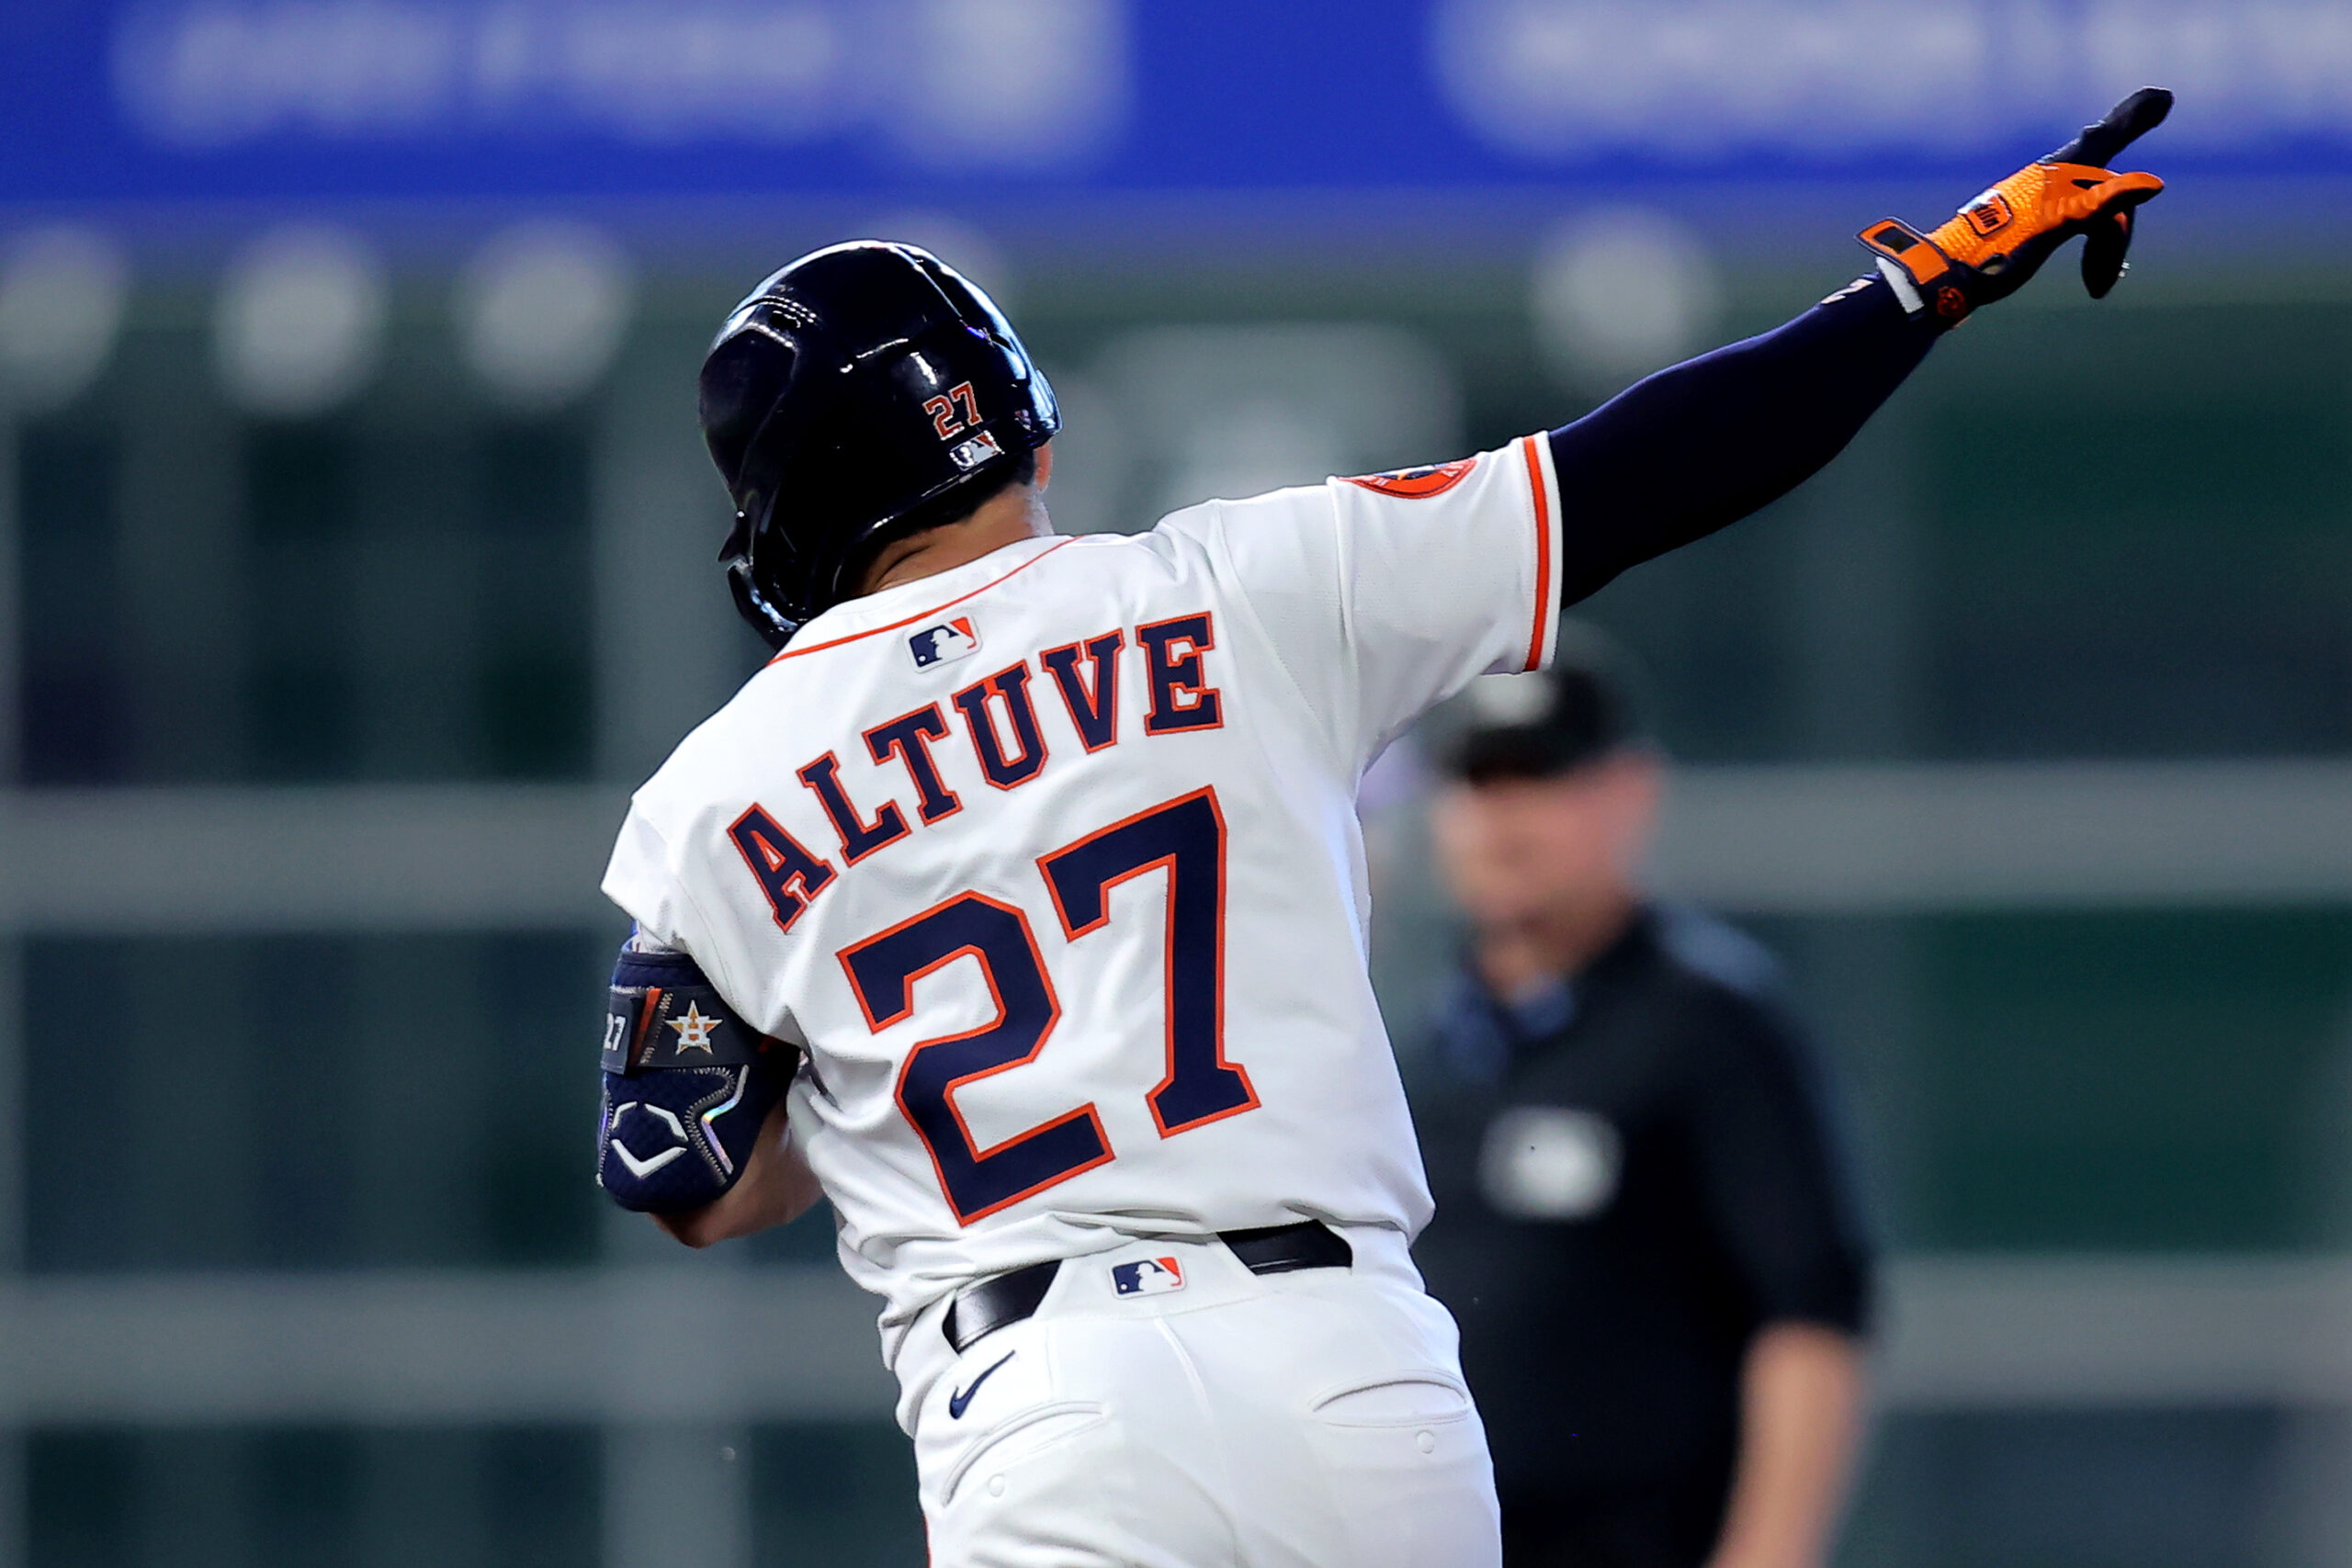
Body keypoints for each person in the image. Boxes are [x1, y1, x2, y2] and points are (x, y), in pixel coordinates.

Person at [586, 91, 2169, 1566]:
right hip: (1349, 1376)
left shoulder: (718, 793)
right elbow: (1643, 472)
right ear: (1013, 419)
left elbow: (685, 1177)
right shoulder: (1244, 585)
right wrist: (1925, 289)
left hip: (1040, 1392)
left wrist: (876, 1065)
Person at [1408, 649, 1871, 1568]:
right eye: (1476, 780)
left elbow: (1811, 1313)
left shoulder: (1708, 1028)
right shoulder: (1412, 1056)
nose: (1500, 816)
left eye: (1538, 776)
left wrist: (1769, 1554)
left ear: (1630, 791)